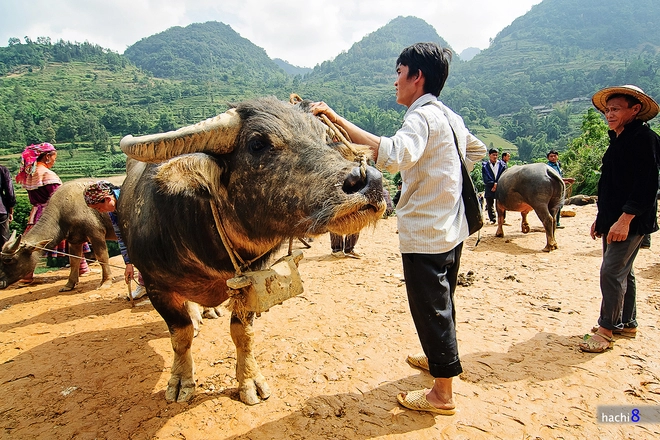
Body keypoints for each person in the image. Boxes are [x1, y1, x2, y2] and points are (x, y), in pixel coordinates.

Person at [311, 42, 486, 415]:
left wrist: (337, 119)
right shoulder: (449, 116)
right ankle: (439, 360)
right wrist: (443, 183)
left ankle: (442, 395)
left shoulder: (420, 118)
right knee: (444, 302)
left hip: (426, 233)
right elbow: (477, 151)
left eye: (398, 72)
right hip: (450, 228)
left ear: (416, 76)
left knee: (430, 309)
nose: (395, 82)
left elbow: (390, 155)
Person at [579, 85, 660, 353]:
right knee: (625, 271)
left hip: (629, 221)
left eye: (616, 109)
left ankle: (606, 331)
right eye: (607, 109)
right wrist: (601, 219)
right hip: (613, 219)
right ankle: (627, 322)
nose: (609, 114)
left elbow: (647, 186)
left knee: (611, 271)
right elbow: (612, 186)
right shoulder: (619, 139)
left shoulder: (643, 139)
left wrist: (625, 219)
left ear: (635, 110)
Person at [15, 143, 90, 282]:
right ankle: (82, 268)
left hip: (36, 213)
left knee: (32, 244)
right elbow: (60, 197)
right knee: (74, 237)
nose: (55, 160)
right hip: (53, 213)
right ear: (48, 156)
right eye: (54, 157)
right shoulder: (48, 175)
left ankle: (26, 274)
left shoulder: (30, 173)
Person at [83, 180, 146, 299]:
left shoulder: (131, 200)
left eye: (98, 207)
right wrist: (128, 263)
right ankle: (144, 285)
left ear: (107, 199)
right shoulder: (113, 213)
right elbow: (121, 236)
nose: (100, 211)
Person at [481, 148, 506, 224]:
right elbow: (485, 178)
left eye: (496, 155)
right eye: (493, 155)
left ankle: (502, 218)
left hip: (500, 186)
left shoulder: (502, 165)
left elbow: (504, 176)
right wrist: (493, 184)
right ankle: (492, 219)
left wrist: (497, 184)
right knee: (489, 204)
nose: (495, 157)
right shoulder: (485, 166)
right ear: (489, 155)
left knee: (501, 203)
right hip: (489, 187)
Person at [0, 164, 16, 249]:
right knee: (4, 245)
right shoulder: (2, 170)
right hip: (1, 211)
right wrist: (11, 211)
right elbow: (10, 193)